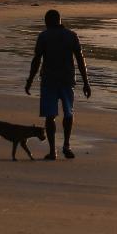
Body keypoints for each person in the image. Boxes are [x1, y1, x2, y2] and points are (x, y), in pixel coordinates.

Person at [25, 9, 91, 160]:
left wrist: (29, 80)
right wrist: (86, 82)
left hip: (49, 80)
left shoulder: (44, 36)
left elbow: (37, 60)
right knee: (68, 113)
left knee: (50, 116)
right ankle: (66, 145)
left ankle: (52, 150)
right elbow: (80, 60)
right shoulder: (71, 35)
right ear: (60, 20)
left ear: (47, 22)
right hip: (67, 79)